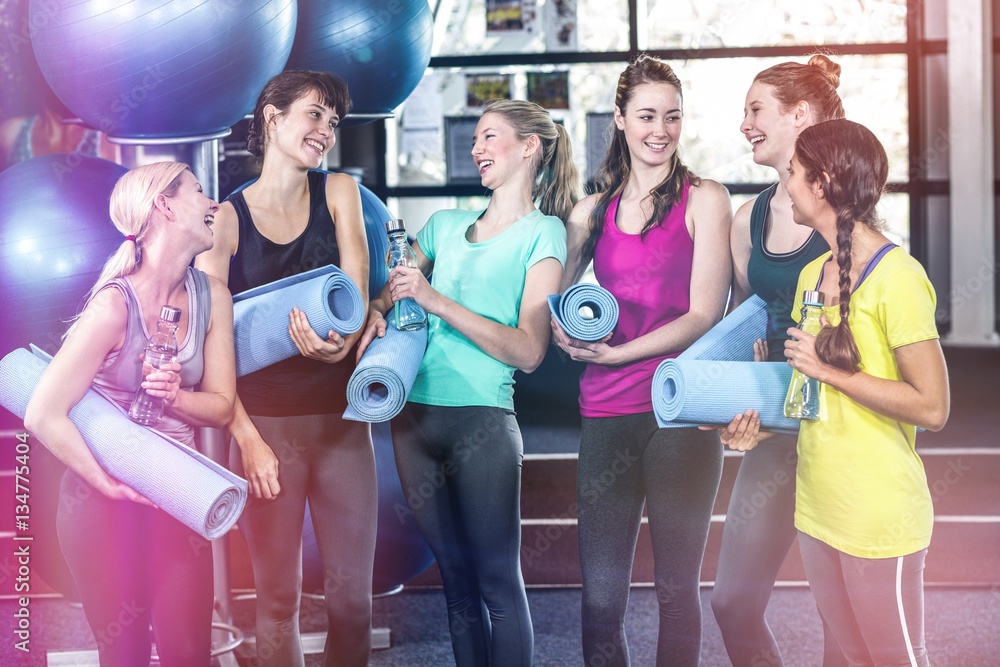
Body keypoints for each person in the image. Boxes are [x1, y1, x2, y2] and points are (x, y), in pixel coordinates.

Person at [357, 98, 581, 666]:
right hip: (413, 422)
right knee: (454, 582)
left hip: (482, 423)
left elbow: (529, 350)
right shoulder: (443, 225)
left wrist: (436, 300)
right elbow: (392, 295)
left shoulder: (544, 234)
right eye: (476, 139)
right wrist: (379, 310)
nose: (476, 149)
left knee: (497, 584)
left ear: (529, 146)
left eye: (489, 137)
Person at [551, 54, 732, 666]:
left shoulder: (706, 198)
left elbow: (704, 312)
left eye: (673, 117)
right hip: (606, 411)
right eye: (648, 115)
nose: (661, 129)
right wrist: (565, 336)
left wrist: (618, 351)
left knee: (677, 589)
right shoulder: (590, 212)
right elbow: (550, 304)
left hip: (681, 408)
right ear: (621, 120)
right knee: (601, 599)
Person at [194, 70, 375, 667]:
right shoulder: (224, 219)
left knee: (352, 601)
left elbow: (355, 296)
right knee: (277, 598)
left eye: (334, 121)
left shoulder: (340, 194)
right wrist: (246, 439)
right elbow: (211, 345)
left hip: (342, 423)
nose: (326, 131)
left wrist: (342, 344)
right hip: (264, 428)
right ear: (272, 117)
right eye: (315, 115)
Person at [24, 161, 236, 667]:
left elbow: (223, 407)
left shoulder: (214, 298)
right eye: (201, 193)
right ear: (164, 205)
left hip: (176, 494)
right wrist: (104, 483)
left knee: (189, 655)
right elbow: (43, 413)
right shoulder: (113, 306)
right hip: (101, 504)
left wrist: (175, 398)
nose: (214, 205)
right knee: (125, 653)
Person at [779, 118, 948, 666]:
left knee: (896, 659)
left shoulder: (898, 277)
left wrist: (831, 373)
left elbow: (933, 406)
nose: (785, 184)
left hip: (879, 514)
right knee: (848, 660)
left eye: (793, 172)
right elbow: (807, 393)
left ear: (822, 182)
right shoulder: (811, 275)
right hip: (818, 502)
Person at [710, 55, 848, 667]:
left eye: (755, 109)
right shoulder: (749, 218)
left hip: (843, 433)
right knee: (732, 604)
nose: (744, 124)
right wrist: (730, 407)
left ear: (800, 114)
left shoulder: (852, 214)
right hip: (772, 431)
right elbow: (737, 334)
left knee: (841, 618)